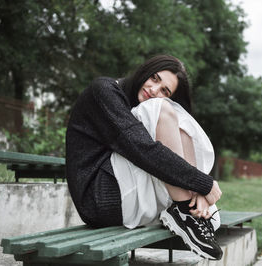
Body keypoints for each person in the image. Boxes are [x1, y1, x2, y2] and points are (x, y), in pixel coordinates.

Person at [66, 55, 223, 260]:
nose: (154, 90)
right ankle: (185, 210)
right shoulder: (103, 90)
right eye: (154, 78)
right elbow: (142, 149)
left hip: (127, 191)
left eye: (165, 90)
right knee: (161, 107)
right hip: (100, 198)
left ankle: (189, 207)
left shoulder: (138, 105)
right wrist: (204, 183)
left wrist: (200, 189)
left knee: (179, 116)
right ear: (146, 70)